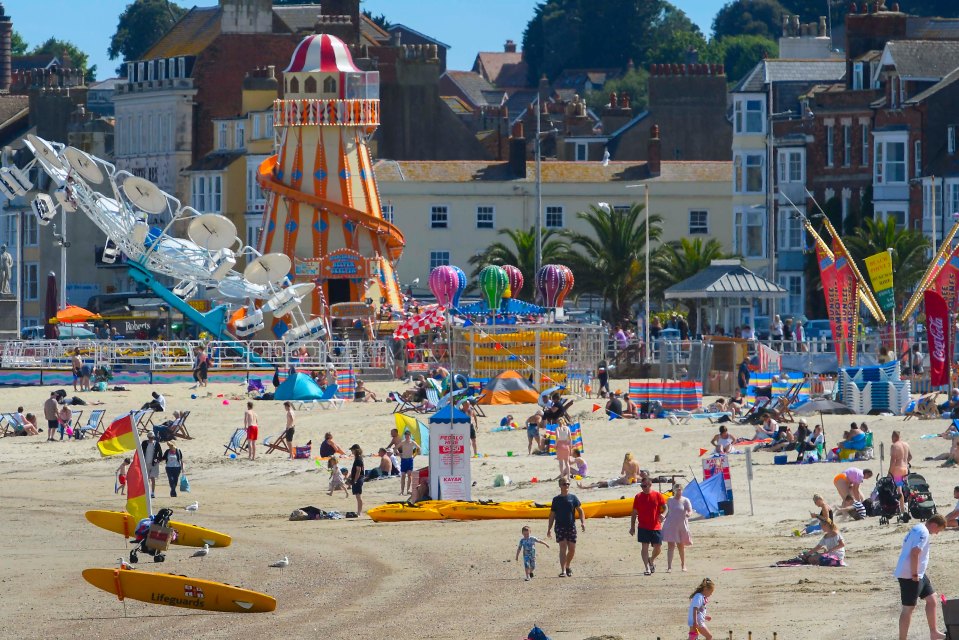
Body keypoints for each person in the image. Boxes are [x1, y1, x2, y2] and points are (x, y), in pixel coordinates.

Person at [894, 515, 947, 640]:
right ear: (934, 525)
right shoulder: (924, 532)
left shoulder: (918, 527)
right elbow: (915, 552)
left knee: (932, 599)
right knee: (908, 609)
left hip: (919, 573)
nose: (937, 533)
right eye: (938, 530)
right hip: (910, 575)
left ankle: (934, 632)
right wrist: (914, 574)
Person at [546, 478, 585, 577]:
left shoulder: (573, 498)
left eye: (568, 484)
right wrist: (549, 529)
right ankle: (563, 571)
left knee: (572, 549)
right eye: (564, 484)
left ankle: (567, 566)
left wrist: (582, 522)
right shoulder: (556, 500)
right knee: (563, 547)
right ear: (560, 486)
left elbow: (580, 511)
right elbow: (552, 515)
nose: (566, 486)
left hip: (571, 526)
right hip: (559, 526)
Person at [629, 477, 668, 575]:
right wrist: (632, 527)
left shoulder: (657, 495)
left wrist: (664, 514)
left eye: (645, 486)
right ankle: (647, 568)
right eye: (641, 486)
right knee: (644, 547)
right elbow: (634, 512)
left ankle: (651, 559)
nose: (643, 488)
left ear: (650, 485)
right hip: (643, 526)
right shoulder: (638, 497)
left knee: (658, 547)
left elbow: (666, 507)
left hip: (656, 526)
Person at [662, 483, 693, 572]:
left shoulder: (685, 500)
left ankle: (683, 565)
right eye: (677, 489)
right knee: (670, 546)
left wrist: (688, 514)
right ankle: (669, 567)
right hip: (671, 525)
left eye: (680, 489)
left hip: (681, 525)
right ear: (674, 490)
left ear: (682, 490)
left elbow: (690, 510)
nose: (678, 491)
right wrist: (662, 517)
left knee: (681, 546)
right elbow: (666, 511)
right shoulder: (670, 500)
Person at [890, 430, 912, 510]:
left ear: (894, 437)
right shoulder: (906, 444)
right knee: (906, 488)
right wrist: (905, 463)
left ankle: (902, 509)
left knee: (899, 490)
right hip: (905, 469)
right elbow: (910, 456)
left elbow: (893, 461)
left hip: (897, 470)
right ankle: (908, 507)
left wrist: (890, 472)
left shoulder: (894, 446)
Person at [397, 430, 421, 495]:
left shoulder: (412, 442)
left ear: (410, 436)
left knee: (409, 475)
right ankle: (402, 491)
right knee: (403, 476)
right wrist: (399, 454)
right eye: (406, 436)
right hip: (404, 460)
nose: (407, 437)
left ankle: (408, 490)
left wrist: (414, 455)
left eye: (408, 436)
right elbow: (395, 448)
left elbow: (419, 448)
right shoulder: (403, 442)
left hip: (410, 460)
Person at [141, 432, 162, 498]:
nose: (151, 439)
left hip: (154, 464)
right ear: (148, 437)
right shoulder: (144, 443)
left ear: (154, 437)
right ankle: (147, 492)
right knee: (146, 479)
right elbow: (140, 451)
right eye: (150, 438)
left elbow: (160, 453)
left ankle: (152, 493)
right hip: (145, 463)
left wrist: (158, 460)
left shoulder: (156, 444)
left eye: (152, 438)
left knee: (153, 478)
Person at [348, 444, 365, 513]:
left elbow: (358, 470)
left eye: (352, 450)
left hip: (358, 479)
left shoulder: (358, 459)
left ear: (355, 450)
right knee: (358, 496)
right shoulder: (358, 458)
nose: (351, 451)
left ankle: (359, 512)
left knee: (358, 497)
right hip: (357, 479)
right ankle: (359, 512)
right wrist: (350, 477)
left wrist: (355, 480)